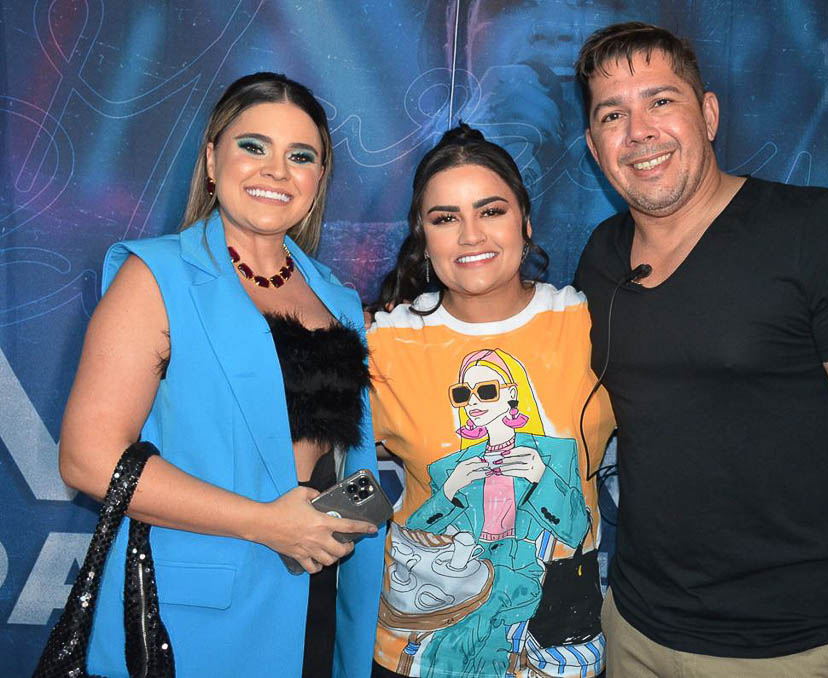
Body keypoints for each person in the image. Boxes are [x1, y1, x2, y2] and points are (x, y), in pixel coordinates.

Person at [571, 22, 828, 677]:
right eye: (613, 114)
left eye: (661, 101)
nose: (639, 131)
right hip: (632, 632)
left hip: (793, 649)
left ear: (709, 114)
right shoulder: (600, 257)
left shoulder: (812, 233)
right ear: (593, 146)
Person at [58, 72, 384, 678]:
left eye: (301, 156)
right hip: (195, 622)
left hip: (316, 601)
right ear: (212, 161)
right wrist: (266, 523)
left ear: (319, 179)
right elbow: (87, 459)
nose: (276, 171)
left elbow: (343, 458)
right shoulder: (155, 277)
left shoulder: (338, 299)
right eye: (253, 146)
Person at [366, 124, 615, 678]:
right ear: (422, 236)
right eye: (445, 218)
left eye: (491, 211)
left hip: (549, 648)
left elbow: (576, 525)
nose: (470, 235)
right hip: (427, 644)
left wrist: (542, 480)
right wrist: (453, 490)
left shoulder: (586, 324)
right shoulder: (386, 343)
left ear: (525, 222)